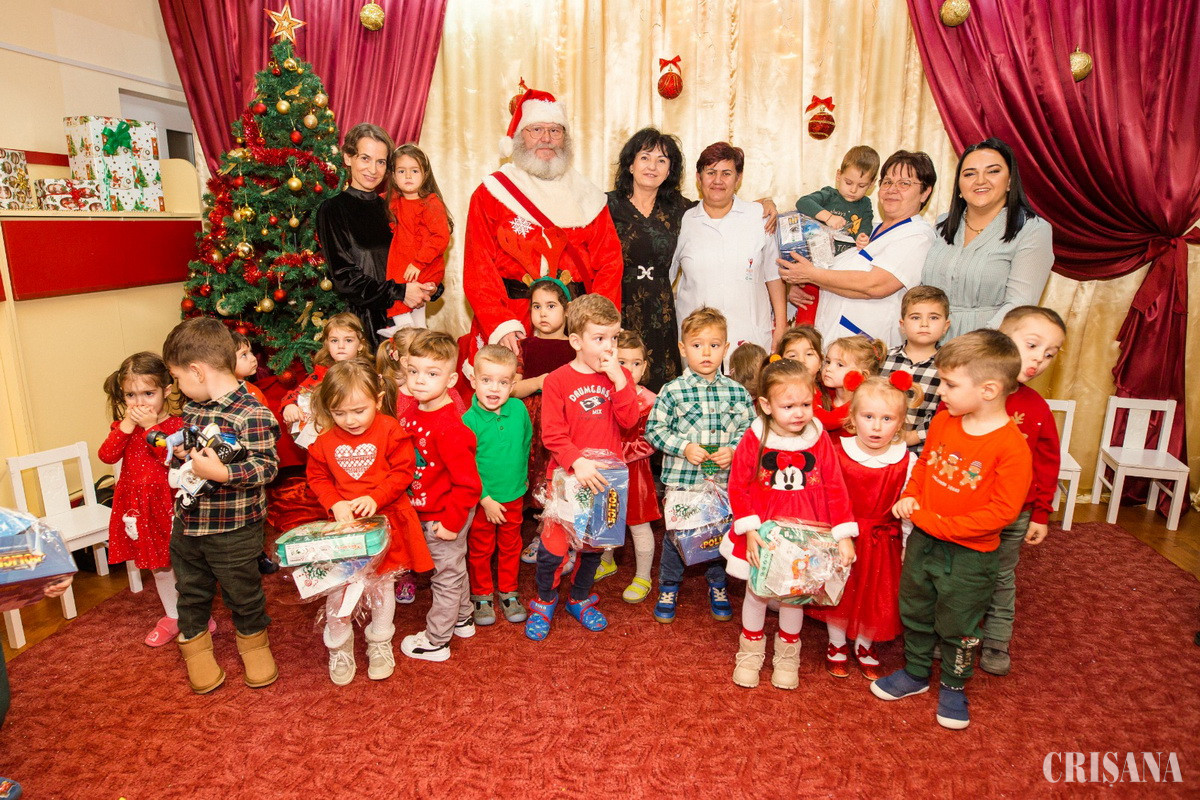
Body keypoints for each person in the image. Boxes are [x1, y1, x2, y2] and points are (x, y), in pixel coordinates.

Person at [874, 330, 1032, 730]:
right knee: (915, 607)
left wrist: (934, 522)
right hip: (924, 542)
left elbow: (1002, 512)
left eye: (949, 384)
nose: (940, 391)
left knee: (959, 624)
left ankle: (954, 685)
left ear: (988, 389)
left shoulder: (1012, 447)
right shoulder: (945, 421)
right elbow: (925, 466)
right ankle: (915, 672)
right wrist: (911, 495)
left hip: (970, 556)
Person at [461, 87, 622, 374]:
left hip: (574, 329)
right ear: (519, 136)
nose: (546, 138)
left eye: (555, 131)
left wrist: (596, 326)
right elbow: (478, 267)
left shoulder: (588, 196)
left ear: (566, 138)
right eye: (536, 129)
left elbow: (610, 264)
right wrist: (500, 324)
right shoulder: (492, 193)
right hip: (513, 325)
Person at [610, 128, 781, 389]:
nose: (652, 166)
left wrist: (765, 204)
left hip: (666, 317)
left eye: (661, 160)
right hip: (622, 306)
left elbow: (721, 206)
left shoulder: (681, 210)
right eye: (645, 157)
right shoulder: (610, 206)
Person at [161, 317, 280, 694]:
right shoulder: (193, 408)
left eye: (177, 377)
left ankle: (255, 645)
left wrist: (223, 473)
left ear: (197, 371)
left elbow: (266, 466)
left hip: (234, 528)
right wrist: (185, 453)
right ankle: (195, 649)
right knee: (190, 590)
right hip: (188, 521)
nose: (177, 386)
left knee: (242, 591)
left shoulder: (252, 413)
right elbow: (194, 450)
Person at [724, 358, 857, 690]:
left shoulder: (818, 437)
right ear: (766, 405)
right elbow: (738, 485)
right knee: (756, 592)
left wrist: (843, 533)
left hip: (806, 531)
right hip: (763, 530)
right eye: (788, 406)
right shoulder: (755, 437)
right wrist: (749, 529)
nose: (799, 413)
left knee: (794, 595)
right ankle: (750, 651)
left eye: (806, 404)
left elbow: (835, 486)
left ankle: (787, 655)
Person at [306, 359, 430, 684]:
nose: (350, 420)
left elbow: (403, 471)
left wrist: (376, 497)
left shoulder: (390, 430)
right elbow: (317, 477)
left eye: (359, 410)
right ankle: (339, 645)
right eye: (339, 413)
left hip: (386, 522)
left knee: (383, 587)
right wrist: (335, 503)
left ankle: (379, 641)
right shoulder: (324, 442)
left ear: (377, 399)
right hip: (345, 529)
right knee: (339, 588)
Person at [525, 294, 638, 641]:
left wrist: (620, 380)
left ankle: (578, 598)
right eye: (599, 338)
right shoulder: (557, 380)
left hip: (606, 478)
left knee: (593, 547)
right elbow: (552, 434)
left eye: (614, 337)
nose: (609, 346)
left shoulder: (619, 377)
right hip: (566, 476)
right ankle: (544, 601)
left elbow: (630, 421)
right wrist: (578, 461)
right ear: (576, 341)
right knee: (553, 548)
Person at [645, 307, 755, 622]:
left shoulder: (736, 392)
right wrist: (684, 447)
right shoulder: (672, 391)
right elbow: (654, 430)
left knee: (718, 535)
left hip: (722, 483)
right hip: (684, 482)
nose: (706, 353)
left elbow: (751, 431)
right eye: (697, 345)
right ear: (683, 348)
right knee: (677, 537)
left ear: (726, 347)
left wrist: (733, 450)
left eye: (714, 345)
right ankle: (669, 585)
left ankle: (718, 584)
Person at [806, 375, 917, 680]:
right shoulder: (836, 451)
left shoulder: (906, 460)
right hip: (842, 536)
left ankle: (865, 644)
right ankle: (837, 642)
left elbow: (908, 507)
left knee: (875, 595)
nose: (876, 426)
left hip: (883, 541)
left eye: (887, 419)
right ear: (853, 418)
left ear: (900, 422)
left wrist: (906, 545)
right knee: (839, 592)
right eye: (868, 417)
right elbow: (823, 496)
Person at [979, 306, 1066, 676]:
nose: (1039, 359)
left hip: (1015, 514)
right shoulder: (973, 394)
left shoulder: (1037, 407)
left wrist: (1041, 513)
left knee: (1001, 578)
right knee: (958, 576)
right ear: (1002, 338)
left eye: (1049, 354)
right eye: (1032, 345)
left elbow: (1047, 465)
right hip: (969, 508)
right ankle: (949, 635)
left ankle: (996, 642)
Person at [780, 150, 938, 349]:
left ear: (925, 192)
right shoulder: (867, 231)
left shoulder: (917, 235)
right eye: (887, 182)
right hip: (831, 341)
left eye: (904, 183)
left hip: (862, 348)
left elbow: (875, 285)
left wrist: (812, 275)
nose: (892, 189)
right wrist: (803, 286)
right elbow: (832, 273)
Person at [397, 331, 483, 662]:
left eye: (432, 373)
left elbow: (469, 485)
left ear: (451, 379)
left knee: (445, 577)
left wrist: (451, 522)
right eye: (414, 371)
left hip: (445, 514)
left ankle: (436, 641)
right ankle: (463, 619)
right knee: (453, 569)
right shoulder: (412, 413)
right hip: (423, 508)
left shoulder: (451, 427)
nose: (419, 380)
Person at [316, 123, 436, 349]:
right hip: (364, 329)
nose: (373, 169)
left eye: (381, 162)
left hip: (408, 322)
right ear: (348, 157)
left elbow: (420, 253)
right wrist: (400, 292)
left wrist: (430, 287)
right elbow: (345, 279)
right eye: (365, 158)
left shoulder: (394, 206)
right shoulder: (333, 209)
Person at [921, 138, 1054, 339]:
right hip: (928, 342)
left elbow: (1019, 305)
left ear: (1010, 181)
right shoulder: (942, 223)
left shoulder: (1033, 230)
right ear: (959, 185)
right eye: (969, 174)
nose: (980, 180)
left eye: (993, 171)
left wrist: (975, 346)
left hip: (987, 345)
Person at [98, 352, 188, 646]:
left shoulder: (176, 426)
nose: (140, 403)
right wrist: (126, 425)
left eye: (148, 393)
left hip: (169, 506)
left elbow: (169, 457)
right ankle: (173, 615)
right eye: (131, 395)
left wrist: (151, 428)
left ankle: (193, 614)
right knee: (158, 566)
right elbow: (107, 455)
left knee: (182, 564)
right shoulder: (123, 427)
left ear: (167, 390)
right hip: (139, 508)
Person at [671, 142, 787, 356]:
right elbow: (667, 278)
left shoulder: (759, 216)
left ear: (738, 178)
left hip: (750, 338)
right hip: (697, 343)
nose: (718, 180)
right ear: (698, 178)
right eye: (710, 172)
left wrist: (781, 326)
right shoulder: (682, 221)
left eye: (726, 173)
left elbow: (773, 276)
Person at [463, 345, 532, 626]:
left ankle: (508, 591)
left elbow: (526, 443)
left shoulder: (518, 409)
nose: (494, 388)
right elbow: (465, 466)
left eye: (503, 382)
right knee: (480, 548)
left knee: (511, 545)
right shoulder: (468, 421)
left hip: (514, 494)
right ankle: (481, 594)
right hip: (483, 501)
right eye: (486, 380)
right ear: (473, 381)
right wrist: (485, 498)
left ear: (512, 385)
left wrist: (522, 478)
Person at [594, 331, 661, 602]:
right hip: (605, 472)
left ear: (644, 367)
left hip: (636, 475)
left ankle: (643, 576)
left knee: (638, 525)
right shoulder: (602, 395)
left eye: (636, 363)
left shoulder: (651, 400)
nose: (629, 369)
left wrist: (616, 454)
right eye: (622, 362)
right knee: (607, 519)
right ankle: (607, 560)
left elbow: (651, 441)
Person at [511, 278, 576, 532]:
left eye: (551, 306)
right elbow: (512, 388)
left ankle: (549, 527)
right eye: (536, 307)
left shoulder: (574, 347)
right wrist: (539, 382)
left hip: (562, 420)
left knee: (555, 472)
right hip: (528, 421)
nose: (542, 313)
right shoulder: (524, 346)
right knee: (527, 467)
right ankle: (521, 521)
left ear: (566, 310)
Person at [792, 145, 880, 324]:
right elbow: (803, 202)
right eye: (848, 182)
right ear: (838, 175)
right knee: (806, 322)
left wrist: (862, 237)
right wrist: (828, 217)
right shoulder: (829, 195)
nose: (853, 190)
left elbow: (865, 227)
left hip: (841, 275)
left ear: (871, 184)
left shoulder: (865, 205)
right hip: (815, 269)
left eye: (861, 186)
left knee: (832, 321)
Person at [380, 143, 452, 336]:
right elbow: (371, 202)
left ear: (425, 174)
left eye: (414, 171)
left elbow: (440, 237)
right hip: (404, 263)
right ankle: (415, 334)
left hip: (422, 264)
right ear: (393, 175)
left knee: (401, 300)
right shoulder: (393, 200)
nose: (408, 176)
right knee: (416, 315)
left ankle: (403, 332)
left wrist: (419, 262)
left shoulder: (431, 203)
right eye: (401, 171)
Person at [231, 331, 283, 575]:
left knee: (257, 511)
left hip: (254, 465)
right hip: (231, 467)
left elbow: (267, 426)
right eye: (244, 355)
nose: (253, 359)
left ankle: (258, 551)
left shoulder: (254, 391)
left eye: (251, 352)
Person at [281, 312, 373, 440]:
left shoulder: (367, 373)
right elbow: (298, 393)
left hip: (363, 433)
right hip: (330, 435)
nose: (341, 346)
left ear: (360, 345)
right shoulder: (321, 373)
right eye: (334, 340)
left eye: (348, 340)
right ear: (327, 344)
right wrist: (289, 405)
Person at [881, 285, 952, 452]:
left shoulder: (950, 367)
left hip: (922, 452)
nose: (924, 324)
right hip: (877, 445)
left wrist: (914, 436)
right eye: (915, 317)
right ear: (902, 325)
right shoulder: (883, 359)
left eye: (933, 317)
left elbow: (947, 414)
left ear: (945, 326)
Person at [816, 335, 886, 435]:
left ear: (863, 375)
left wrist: (808, 406)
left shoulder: (863, 403)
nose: (828, 368)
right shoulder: (822, 391)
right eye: (828, 362)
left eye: (840, 365)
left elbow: (828, 422)